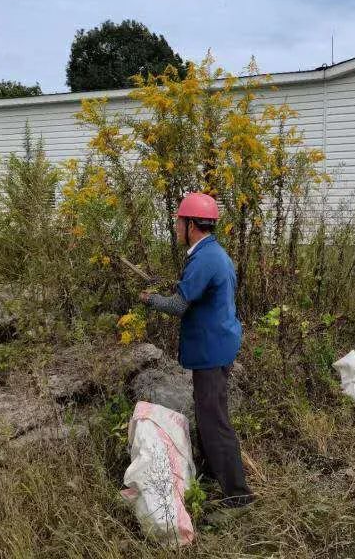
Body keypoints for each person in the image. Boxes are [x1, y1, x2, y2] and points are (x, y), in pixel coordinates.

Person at [139, 192, 255, 520]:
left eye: (179, 221)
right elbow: (194, 289)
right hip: (217, 347)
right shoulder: (210, 253)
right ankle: (217, 480)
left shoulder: (205, 258)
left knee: (215, 422)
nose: (176, 226)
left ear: (191, 225)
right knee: (209, 416)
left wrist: (150, 299)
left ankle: (238, 496)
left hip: (212, 352)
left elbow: (178, 305)